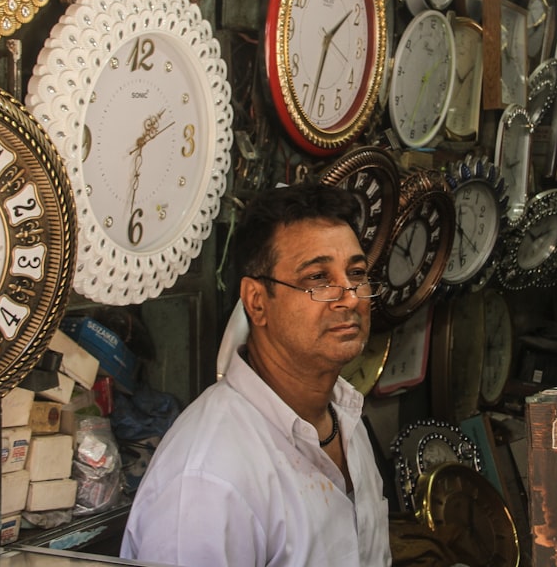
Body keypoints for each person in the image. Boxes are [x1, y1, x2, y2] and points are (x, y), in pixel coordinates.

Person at [121, 182, 392, 566]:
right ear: (257, 301)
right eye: (318, 278)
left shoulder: (345, 419)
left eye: (357, 273)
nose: (350, 296)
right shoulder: (207, 481)